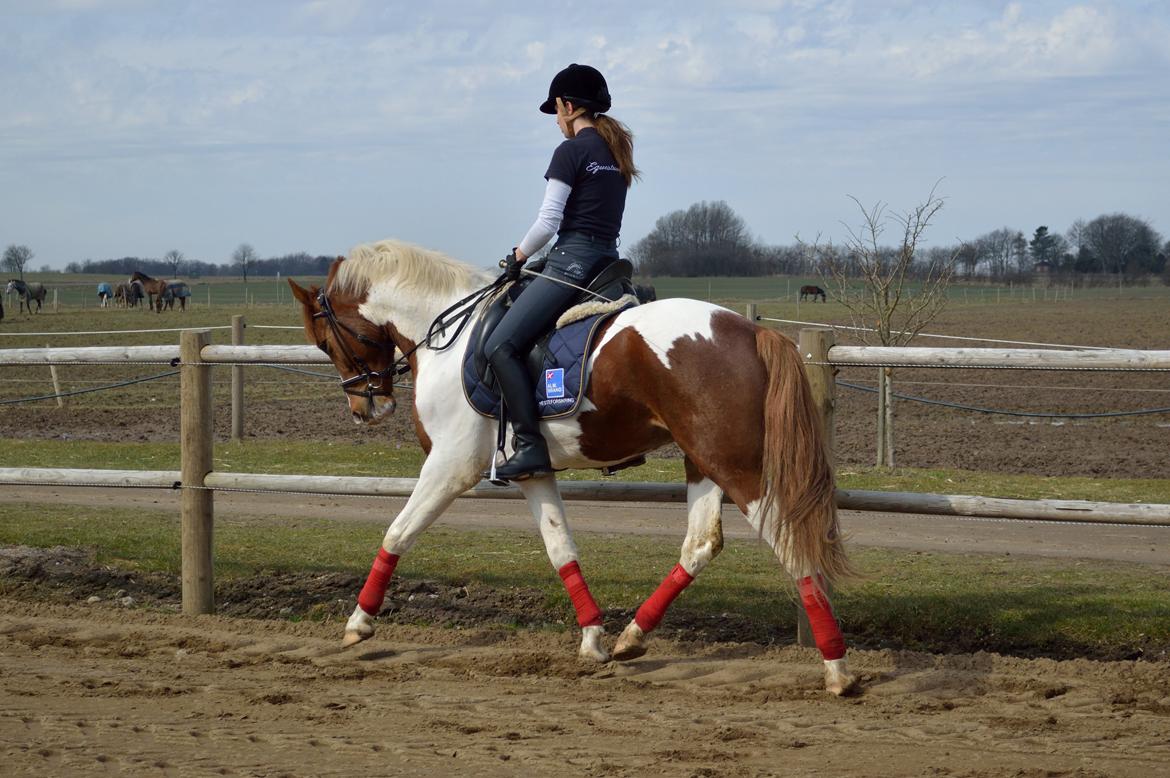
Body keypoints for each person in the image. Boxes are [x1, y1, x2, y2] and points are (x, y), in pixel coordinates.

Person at [484, 63, 640, 482]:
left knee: (500, 345)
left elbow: (548, 222)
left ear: (568, 106)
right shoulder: (616, 151)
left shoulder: (570, 151)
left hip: (572, 261)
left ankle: (531, 446)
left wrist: (517, 255)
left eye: (556, 110)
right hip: (609, 262)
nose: (556, 120)